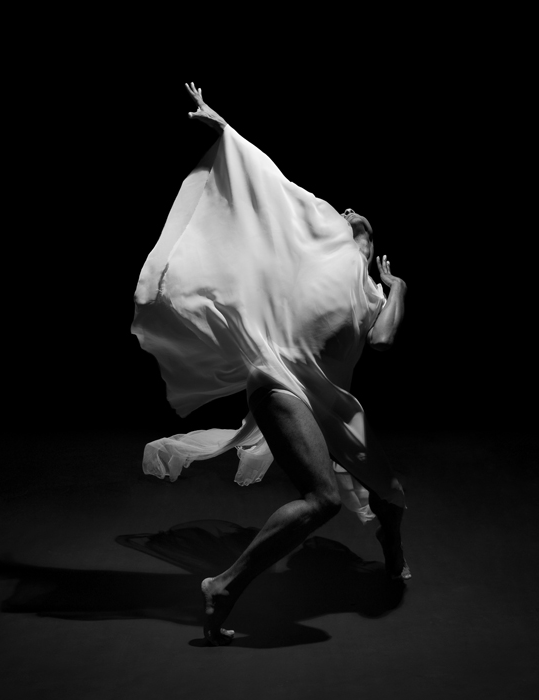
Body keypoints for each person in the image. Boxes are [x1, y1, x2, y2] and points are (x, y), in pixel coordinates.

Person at [132, 83, 410, 646]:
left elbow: (382, 342)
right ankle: (223, 586)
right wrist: (223, 126)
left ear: (370, 231)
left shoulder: (375, 294)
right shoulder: (320, 233)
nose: (347, 210)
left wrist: (398, 285)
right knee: (322, 499)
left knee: (391, 495)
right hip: (279, 376)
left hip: (335, 403)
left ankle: (391, 547)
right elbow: (270, 186)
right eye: (344, 210)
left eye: (355, 211)